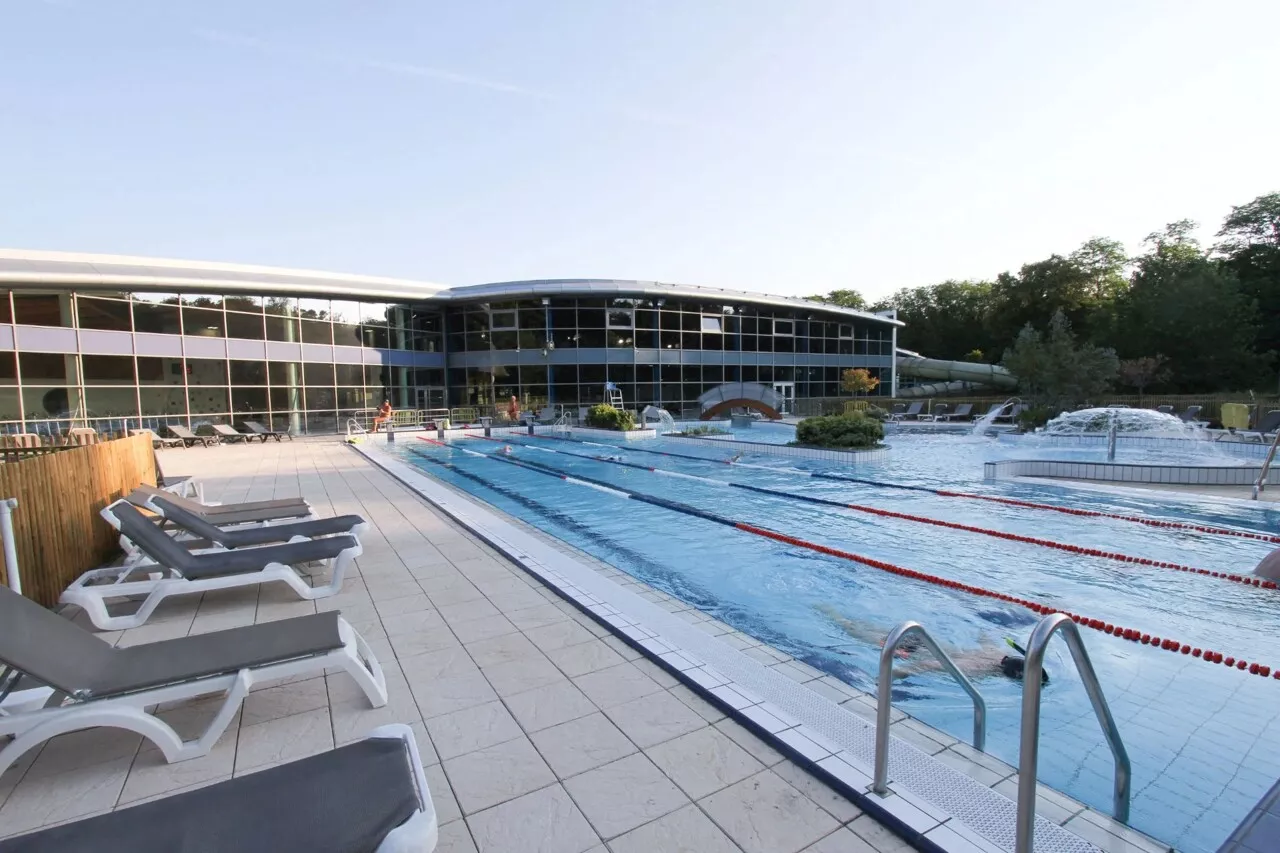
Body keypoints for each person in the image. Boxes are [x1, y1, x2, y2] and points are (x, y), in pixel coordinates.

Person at [816, 604, 1045, 683]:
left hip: (921, 639)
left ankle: (832, 613)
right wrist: (892, 675)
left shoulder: (997, 652)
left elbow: (983, 635)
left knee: (859, 626)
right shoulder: (979, 670)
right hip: (909, 650)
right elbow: (929, 666)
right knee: (853, 631)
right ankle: (828, 614)